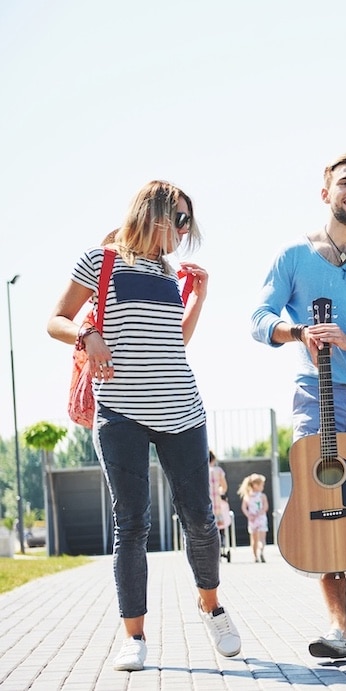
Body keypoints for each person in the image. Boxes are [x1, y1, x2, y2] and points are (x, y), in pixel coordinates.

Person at [46, 180, 241, 672]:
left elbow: (175, 342)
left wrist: (198, 294)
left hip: (182, 411)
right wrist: (88, 333)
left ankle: (211, 606)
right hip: (121, 415)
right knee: (132, 524)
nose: (183, 230)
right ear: (151, 213)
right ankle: (134, 636)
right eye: (179, 219)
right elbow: (56, 319)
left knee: (199, 516)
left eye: (187, 222)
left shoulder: (168, 273)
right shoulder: (101, 261)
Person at [251, 153, 346, 659]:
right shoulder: (293, 255)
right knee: (320, 503)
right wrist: (298, 332)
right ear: (326, 194)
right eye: (344, 183)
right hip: (313, 394)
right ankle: (337, 626)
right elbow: (258, 318)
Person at [238, 473, 270, 563]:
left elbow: (244, 508)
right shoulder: (262, 496)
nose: (263, 487)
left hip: (252, 520)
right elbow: (265, 507)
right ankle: (261, 551)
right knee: (261, 538)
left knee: (254, 538)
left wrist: (249, 515)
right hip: (260, 519)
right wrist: (259, 513)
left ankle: (256, 556)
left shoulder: (248, 496)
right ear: (255, 485)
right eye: (261, 485)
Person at [209, 451, 232, 562]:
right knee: (220, 527)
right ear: (213, 459)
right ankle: (221, 545)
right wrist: (219, 492)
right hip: (217, 505)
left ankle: (211, 552)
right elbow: (224, 487)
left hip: (206, 505)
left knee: (208, 528)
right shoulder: (218, 471)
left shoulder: (201, 471)